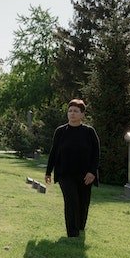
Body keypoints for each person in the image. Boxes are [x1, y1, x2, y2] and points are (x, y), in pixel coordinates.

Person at [45, 99, 100, 238]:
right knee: (71, 201)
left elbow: (96, 153)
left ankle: (80, 226)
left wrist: (92, 172)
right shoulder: (60, 131)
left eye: (76, 111)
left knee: (83, 202)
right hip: (65, 174)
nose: (72, 114)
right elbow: (54, 152)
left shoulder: (89, 132)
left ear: (82, 114)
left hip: (85, 174)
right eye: (70, 111)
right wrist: (48, 172)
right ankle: (72, 233)